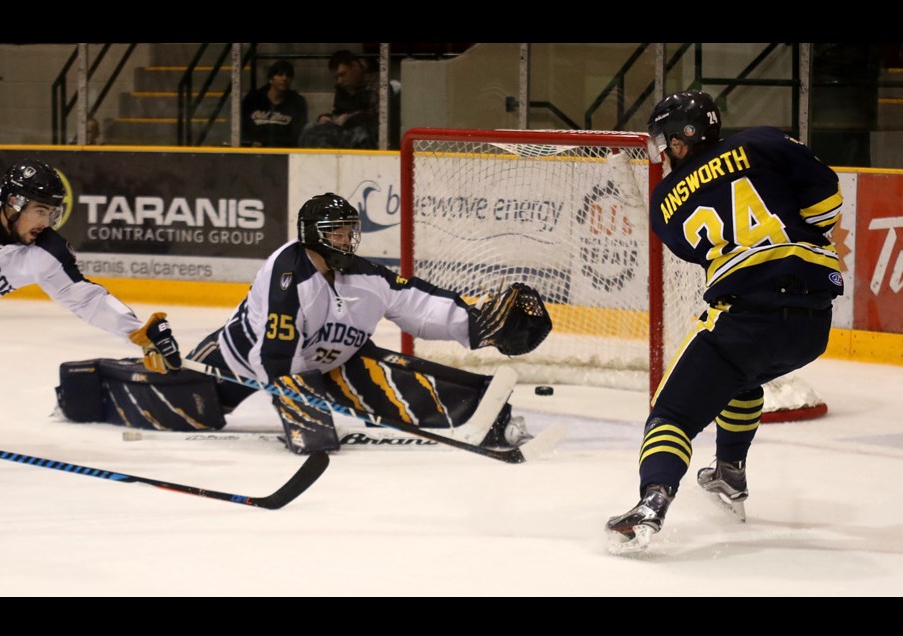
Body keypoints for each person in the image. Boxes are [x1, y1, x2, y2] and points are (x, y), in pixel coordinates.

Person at [605, 91, 844, 554]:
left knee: (671, 414)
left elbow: (696, 249)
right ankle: (729, 472)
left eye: (666, 140)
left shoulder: (665, 200)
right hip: (813, 321)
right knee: (742, 378)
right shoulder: (764, 141)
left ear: (684, 137)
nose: (664, 149)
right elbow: (826, 206)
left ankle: (653, 498)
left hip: (745, 316)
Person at [186, 193, 552, 453]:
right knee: (179, 407)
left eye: (349, 231)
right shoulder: (287, 277)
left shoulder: (365, 276)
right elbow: (275, 360)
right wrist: (305, 411)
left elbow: (417, 304)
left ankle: (490, 418)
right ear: (312, 234)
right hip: (236, 362)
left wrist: (476, 324)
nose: (346, 241)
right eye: (336, 233)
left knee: (399, 378)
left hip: (332, 363)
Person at [0, 160, 183, 376]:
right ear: (14, 203)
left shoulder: (48, 253)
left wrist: (140, 332)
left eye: (51, 213)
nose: (45, 223)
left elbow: (85, 300)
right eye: (40, 211)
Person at [300, 51, 385, 150]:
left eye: (343, 74)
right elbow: (338, 111)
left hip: (368, 132)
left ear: (354, 66)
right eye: (336, 78)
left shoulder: (377, 84)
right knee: (309, 129)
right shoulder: (342, 89)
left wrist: (350, 117)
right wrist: (327, 118)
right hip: (346, 129)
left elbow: (379, 117)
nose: (340, 81)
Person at [241, 59, 308, 148]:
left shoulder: (297, 101)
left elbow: (298, 132)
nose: (284, 78)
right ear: (270, 79)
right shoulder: (253, 99)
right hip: (254, 150)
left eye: (288, 75)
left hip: (284, 150)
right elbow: (242, 126)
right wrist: (250, 141)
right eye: (280, 75)